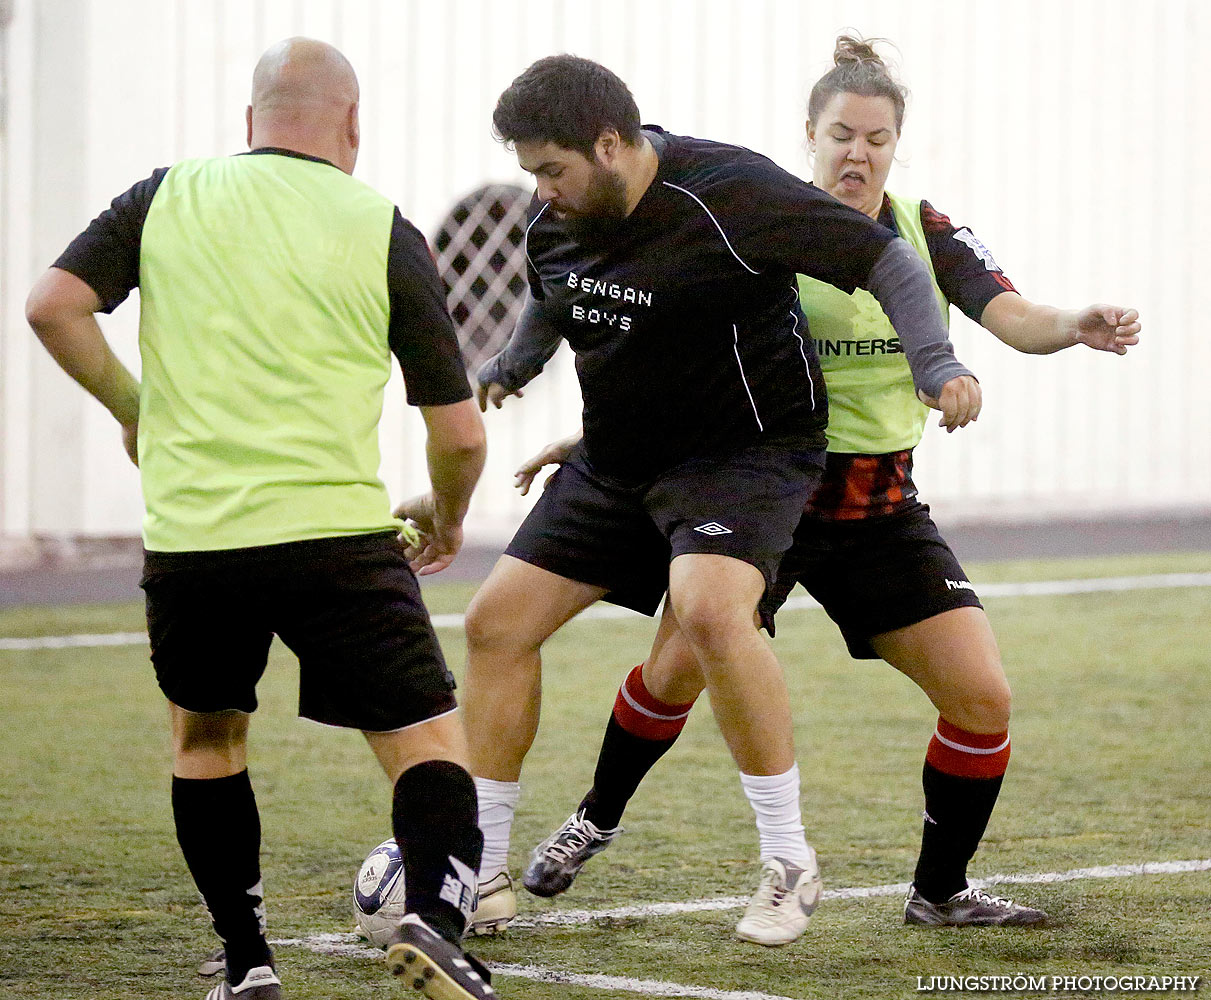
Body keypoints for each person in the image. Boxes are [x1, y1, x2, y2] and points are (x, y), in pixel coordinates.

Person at [494, 36, 1141, 934]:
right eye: (841, 134)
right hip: (759, 491)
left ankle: (940, 891)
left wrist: (1074, 324)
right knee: (673, 672)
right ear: (810, 135)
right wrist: (587, 433)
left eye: (876, 138)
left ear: (895, 145)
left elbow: (1012, 314)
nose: (857, 152)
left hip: (874, 506)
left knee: (982, 696)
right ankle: (592, 819)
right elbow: (671, 352)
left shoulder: (922, 231)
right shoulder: (768, 224)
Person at [399, 52, 981, 948]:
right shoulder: (557, 210)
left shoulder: (731, 190)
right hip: (618, 460)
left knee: (711, 614)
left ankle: (788, 861)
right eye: (531, 174)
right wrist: (516, 361)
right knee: (494, 624)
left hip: (742, 456)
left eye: (552, 170)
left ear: (608, 144)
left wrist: (937, 364)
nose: (541, 191)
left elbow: (887, 263)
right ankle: (484, 872)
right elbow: (557, 290)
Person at [25, 38, 499, 1000]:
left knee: (205, 743)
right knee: (428, 745)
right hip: (335, 541)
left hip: (195, 544)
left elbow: (52, 306)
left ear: (250, 123)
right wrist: (445, 519)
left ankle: (247, 964)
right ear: (352, 126)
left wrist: (136, 408)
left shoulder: (165, 197)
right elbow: (457, 434)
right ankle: (437, 923)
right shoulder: (380, 225)